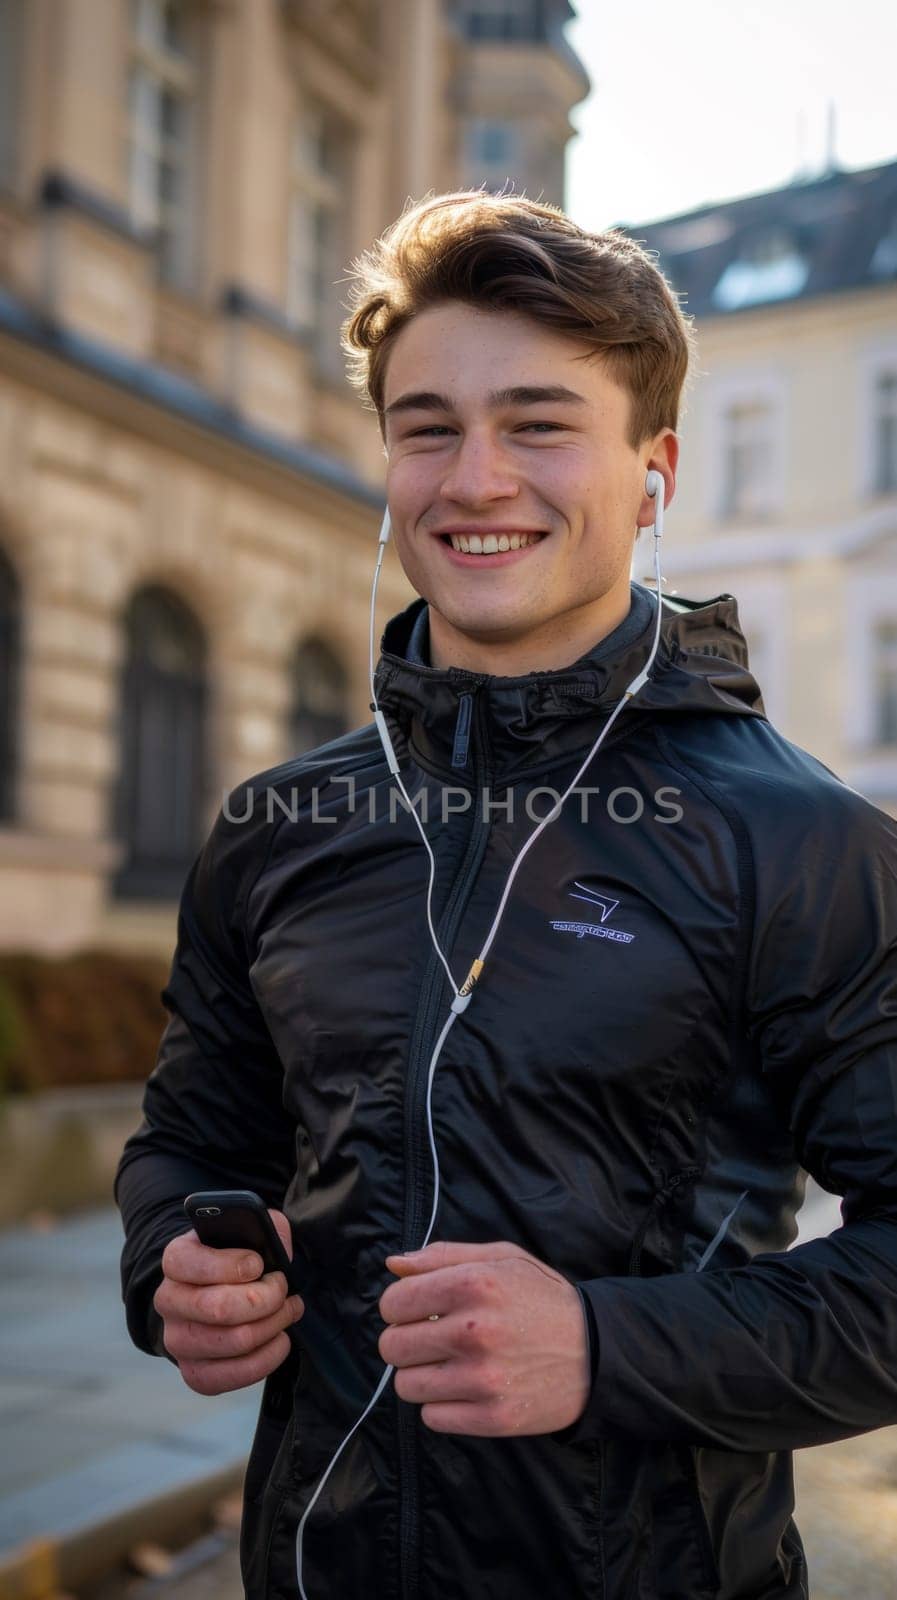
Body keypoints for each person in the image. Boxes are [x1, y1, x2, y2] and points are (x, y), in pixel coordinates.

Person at [115, 189, 897, 1600]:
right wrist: (175, 1259)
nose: (474, 479)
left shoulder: (803, 843)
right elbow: (190, 1135)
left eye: (538, 424)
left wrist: (605, 1348)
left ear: (653, 472)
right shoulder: (280, 825)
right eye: (428, 427)